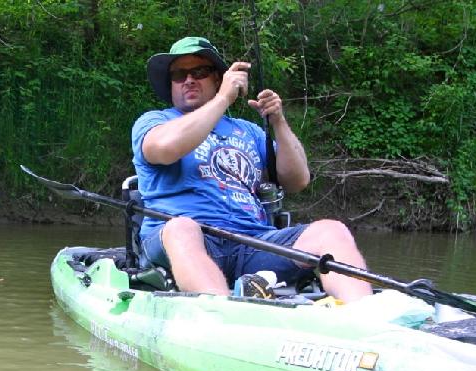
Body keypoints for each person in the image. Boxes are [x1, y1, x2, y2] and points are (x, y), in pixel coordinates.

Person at [132, 36, 372, 302]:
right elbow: (164, 148)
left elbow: (298, 180)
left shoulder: (250, 132)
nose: (189, 79)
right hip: (182, 239)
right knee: (181, 228)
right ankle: (221, 315)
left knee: (331, 230)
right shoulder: (155, 121)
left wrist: (278, 122)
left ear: (217, 78)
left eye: (199, 71)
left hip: (253, 241)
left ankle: (365, 315)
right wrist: (223, 99)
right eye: (179, 74)